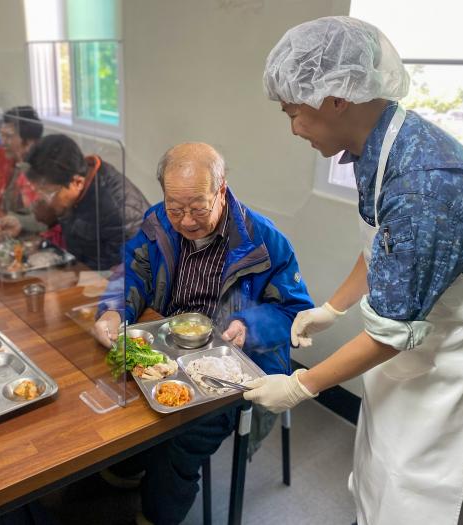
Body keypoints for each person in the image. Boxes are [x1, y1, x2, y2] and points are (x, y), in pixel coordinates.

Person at [244, 16, 463, 525]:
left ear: (335, 98)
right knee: (376, 476)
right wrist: (332, 307)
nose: (293, 129)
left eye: (293, 112)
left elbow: (391, 334)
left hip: (446, 360)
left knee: (409, 497)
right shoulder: (380, 147)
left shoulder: (426, 184)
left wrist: (300, 386)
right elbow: (381, 245)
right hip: (413, 344)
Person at [93, 142, 314, 525]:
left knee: (180, 438)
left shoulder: (265, 242)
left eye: (198, 208)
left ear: (222, 190)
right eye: (175, 208)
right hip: (167, 342)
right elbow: (131, 272)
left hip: (232, 365)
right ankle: (130, 468)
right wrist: (113, 310)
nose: (186, 221)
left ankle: (158, 514)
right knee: (118, 395)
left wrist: (249, 325)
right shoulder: (158, 221)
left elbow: (294, 311)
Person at [0, 134, 150, 270]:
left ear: (77, 183)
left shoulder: (119, 210)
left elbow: (132, 272)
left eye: (47, 193)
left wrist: (75, 276)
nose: (41, 199)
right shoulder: (74, 179)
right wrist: (23, 224)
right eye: (38, 191)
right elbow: (68, 224)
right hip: (81, 270)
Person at [0, 106, 51, 233]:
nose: (2, 142)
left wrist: (18, 221)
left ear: (29, 142)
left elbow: (48, 220)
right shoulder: (16, 164)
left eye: (8, 137)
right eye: (1, 136)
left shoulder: (42, 171)